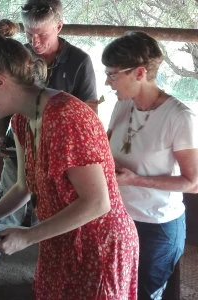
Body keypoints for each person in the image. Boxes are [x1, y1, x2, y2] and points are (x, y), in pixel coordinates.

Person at [0, 35, 139, 299]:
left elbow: (97, 203)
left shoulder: (66, 117)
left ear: (0, 82)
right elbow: (23, 187)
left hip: (97, 242)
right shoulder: (21, 122)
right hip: (59, 237)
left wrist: (28, 236)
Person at [104, 31, 198, 299]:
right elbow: (108, 150)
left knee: (144, 293)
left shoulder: (180, 117)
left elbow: (192, 183)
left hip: (157, 226)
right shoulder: (123, 106)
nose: (108, 82)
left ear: (140, 73)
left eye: (112, 74)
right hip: (119, 217)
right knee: (116, 290)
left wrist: (134, 179)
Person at [0, 0, 99, 226]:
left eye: (41, 34)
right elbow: (5, 100)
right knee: (6, 204)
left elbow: (89, 114)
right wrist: (0, 134)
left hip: (58, 156)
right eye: (29, 35)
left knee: (50, 213)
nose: (34, 42)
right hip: (19, 144)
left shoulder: (80, 62)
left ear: (58, 27)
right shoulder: (19, 56)